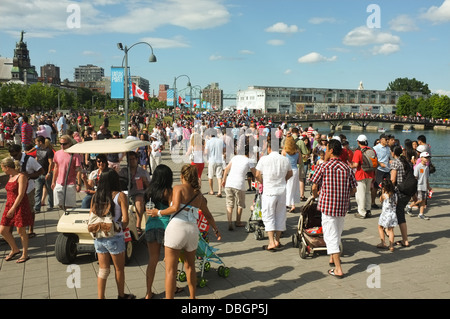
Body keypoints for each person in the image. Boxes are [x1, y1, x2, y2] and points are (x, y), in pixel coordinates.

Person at [148, 164, 221, 299]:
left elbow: (175, 207)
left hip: (176, 228)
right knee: (190, 267)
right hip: (192, 230)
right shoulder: (198, 195)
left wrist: (157, 212)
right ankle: (192, 298)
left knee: (171, 270)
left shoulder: (178, 188)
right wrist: (216, 229)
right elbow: (208, 215)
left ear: (182, 176)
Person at [311, 139, 357, 278]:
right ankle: (333, 258)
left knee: (330, 236)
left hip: (328, 206)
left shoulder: (323, 167)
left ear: (330, 150)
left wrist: (316, 194)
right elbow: (354, 190)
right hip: (342, 207)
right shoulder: (347, 168)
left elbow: (314, 185)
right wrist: (342, 193)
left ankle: (338, 268)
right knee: (337, 233)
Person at [90, 170, 135, 299]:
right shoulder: (120, 195)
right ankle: (121, 295)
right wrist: (120, 227)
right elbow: (125, 220)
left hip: (99, 236)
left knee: (103, 270)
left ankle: (101, 297)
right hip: (115, 236)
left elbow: (91, 216)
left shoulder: (95, 196)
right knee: (119, 269)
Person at [143, 164, 177, 299]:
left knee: (152, 260)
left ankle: (148, 292)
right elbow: (173, 208)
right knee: (170, 262)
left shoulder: (149, 191)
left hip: (151, 226)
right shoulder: (169, 191)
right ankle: (172, 288)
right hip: (166, 227)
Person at [255, 136, 293, 251]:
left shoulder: (264, 159)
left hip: (269, 191)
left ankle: (271, 242)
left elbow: (257, 175)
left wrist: (264, 182)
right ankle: (277, 240)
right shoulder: (284, 159)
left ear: (269, 148)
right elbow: (290, 174)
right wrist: (283, 180)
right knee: (280, 215)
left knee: (268, 215)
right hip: (281, 190)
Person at [0, 158, 32, 263]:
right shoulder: (11, 176)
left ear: (7, 167)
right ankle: (14, 249)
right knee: (3, 230)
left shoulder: (21, 176)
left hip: (19, 206)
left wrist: (13, 208)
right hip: (9, 205)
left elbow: (21, 194)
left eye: (2, 167)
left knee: (21, 231)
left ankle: (25, 254)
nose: (2, 170)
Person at [9, 144, 44, 238]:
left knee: (29, 209)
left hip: (28, 189)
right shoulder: (12, 159)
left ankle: (31, 230)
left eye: (16, 155)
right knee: (13, 210)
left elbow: (41, 171)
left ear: (20, 151)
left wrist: (28, 175)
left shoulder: (30, 160)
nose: (14, 157)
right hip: (15, 189)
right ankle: (9, 233)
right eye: (12, 156)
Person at [222, 144, 256, 230]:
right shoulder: (249, 161)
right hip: (239, 185)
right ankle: (238, 221)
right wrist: (259, 181)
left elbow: (226, 169)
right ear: (249, 152)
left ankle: (229, 222)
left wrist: (223, 180)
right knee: (240, 203)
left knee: (229, 203)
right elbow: (255, 173)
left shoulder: (235, 158)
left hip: (229, 183)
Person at [119, 151, 150, 235]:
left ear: (137, 159)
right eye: (130, 159)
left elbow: (150, 187)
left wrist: (145, 182)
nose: (132, 161)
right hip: (125, 194)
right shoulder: (124, 171)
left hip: (139, 194)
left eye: (133, 159)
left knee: (139, 200)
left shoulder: (143, 172)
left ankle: (138, 226)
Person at [52, 135, 82, 209]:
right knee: (59, 204)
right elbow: (56, 168)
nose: (62, 146)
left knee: (69, 206)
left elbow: (78, 170)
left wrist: (79, 184)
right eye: (60, 144)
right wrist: (53, 181)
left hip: (70, 183)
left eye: (64, 144)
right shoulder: (57, 153)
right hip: (59, 182)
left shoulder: (75, 155)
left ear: (70, 143)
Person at [390, 145, 412, 247]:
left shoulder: (395, 163)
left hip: (399, 192)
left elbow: (393, 180)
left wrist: (386, 189)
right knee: (400, 214)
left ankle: (405, 240)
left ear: (393, 153)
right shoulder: (406, 162)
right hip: (407, 192)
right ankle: (402, 238)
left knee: (399, 216)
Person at [352, 135, 376, 218]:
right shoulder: (372, 150)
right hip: (370, 174)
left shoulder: (358, 152)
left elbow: (355, 164)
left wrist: (349, 165)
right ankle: (368, 210)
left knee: (360, 194)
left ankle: (362, 212)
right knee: (367, 193)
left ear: (358, 142)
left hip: (360, 175)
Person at [33, 136, 55, 214]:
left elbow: (51, 163)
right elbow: (37, 159)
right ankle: (37, 207)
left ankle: (50, 205)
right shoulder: (38, 150)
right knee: (38, 191)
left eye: (36, 142)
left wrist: (49, 172)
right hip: (39, 174)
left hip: (46, 174)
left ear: (40, 142)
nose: (35, 143)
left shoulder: (49, 151)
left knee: (49, 190)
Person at [377, 179, 398, 252]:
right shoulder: (395, 194)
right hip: (393, 214)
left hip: (385, 214)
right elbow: (396, 203)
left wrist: (382, 192)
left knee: (380, 227)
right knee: (391, 230)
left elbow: (380, 200)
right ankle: (391, 246)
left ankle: (383, 242)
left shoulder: (384, 195)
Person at [281, 136, 301, 213]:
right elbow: (299, 162)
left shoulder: (284, 151)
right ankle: (292, 204)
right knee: (293, 188)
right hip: (295, 170)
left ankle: (289, 204)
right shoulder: (297, 151)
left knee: (287, 187)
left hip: (287, 170)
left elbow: (282, 162)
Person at [410, 152, 432, 220]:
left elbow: (427, 178)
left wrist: (428, 187)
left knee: (423, 200)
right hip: (419, 186)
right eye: (425, 157)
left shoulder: (427, 167)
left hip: (424, 186)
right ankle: (409, 206)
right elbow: (415, 177)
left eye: (428, 157)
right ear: (421, 158)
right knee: (420, 199)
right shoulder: (418, 167)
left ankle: (421, 214)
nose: (427, 159)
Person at [373, 134, 391, 207]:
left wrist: (390, 161)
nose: (387, 141)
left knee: (386, 186)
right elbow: (373, 159)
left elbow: (389, 158)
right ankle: (373, 202)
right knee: (376, 186)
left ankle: (384, 201)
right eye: (386, 139)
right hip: (379, 169)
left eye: (388, 139)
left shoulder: (388, 148)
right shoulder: (375, 148)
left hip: (387, 169)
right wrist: (380, 163)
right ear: (381, 140)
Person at [205, 131, 225, 197]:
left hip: (211, 160)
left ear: (210, 135)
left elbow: (206, 152)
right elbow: (224, 150)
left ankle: (211, 190)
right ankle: (219, 191)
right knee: (219, 176)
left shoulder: (208, 141)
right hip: (219, 160)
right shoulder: (221, 141)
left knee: (210, 176)